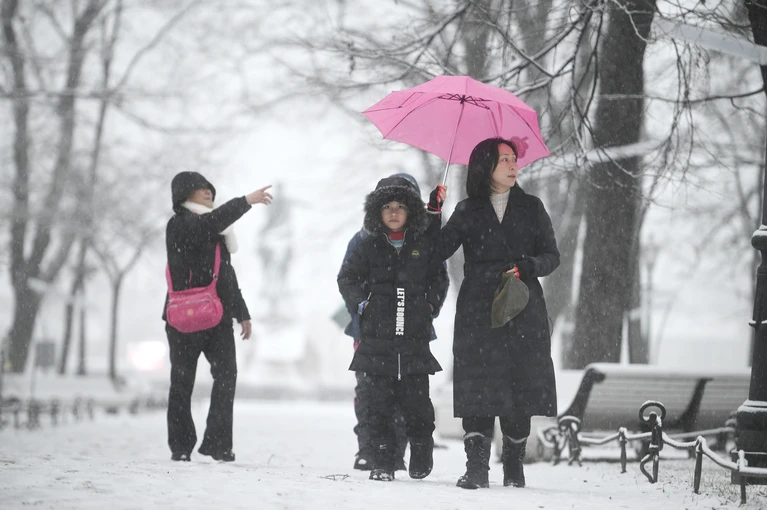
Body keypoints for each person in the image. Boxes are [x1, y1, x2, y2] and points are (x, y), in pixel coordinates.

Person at [429, 138, 560, 489]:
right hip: (478, 310)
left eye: (514, 158)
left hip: (522, 305)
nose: (513, 164)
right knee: (478, 386)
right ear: (485, 166)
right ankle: (476, 469)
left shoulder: (532, 207)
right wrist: (433, 213)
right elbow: (436, 250)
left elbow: (552, 256)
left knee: (520, 386)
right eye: (504, 159)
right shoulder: (467, 210)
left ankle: (514, 468)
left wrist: (527, 266)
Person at [338, 176, 448, 481]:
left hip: (413, 340)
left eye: (401, 206)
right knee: (377, 405)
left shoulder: (422, 244)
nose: (395, 212)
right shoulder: (367, 244)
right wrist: (363, 305)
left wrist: (429, 306)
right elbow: (347, 277)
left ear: (412, 210)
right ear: (377, 211)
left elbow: (438, 275)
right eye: (387, 206)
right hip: (377, 340)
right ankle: (382, 460)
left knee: (417, 405)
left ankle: (421, 448)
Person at [163, 171, 272, 462]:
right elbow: (207, 224)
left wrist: (242, 313)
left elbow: (226, 275)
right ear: (184, 194)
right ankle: (181, 447)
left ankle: (218, 443)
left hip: (216, 316)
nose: (207, 191)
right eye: (199, 188)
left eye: (209, 187)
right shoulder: (180, 224)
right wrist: (245, 201)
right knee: (182, 382)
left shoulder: (217, 232)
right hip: (184, 317)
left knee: (226, 376)